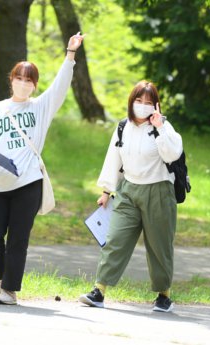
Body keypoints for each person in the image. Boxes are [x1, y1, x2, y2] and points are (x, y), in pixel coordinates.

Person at [0, 33, 85, 305]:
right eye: (18, 78)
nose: (23, 84)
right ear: (11, 81)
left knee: (18, 238)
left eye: (28, 80)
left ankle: (9, 290)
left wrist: (70, 53)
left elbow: (60, 86)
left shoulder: (40, 108)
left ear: (34, 85)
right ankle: (3, 275)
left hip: (28, 183)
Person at [78, 81, 183, 312]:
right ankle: (99, 290)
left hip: (158, 191)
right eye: (138, 101)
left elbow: (172, 154)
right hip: (128, 190)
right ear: (131, 102)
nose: (143, 106)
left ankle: (163, 294)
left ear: (156, 105)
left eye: (148, 102)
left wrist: (160, 127)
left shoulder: (164, 127)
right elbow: (113, 158)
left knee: (159, 246)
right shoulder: (123, 126)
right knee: (115, 239)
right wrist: (107, 190)